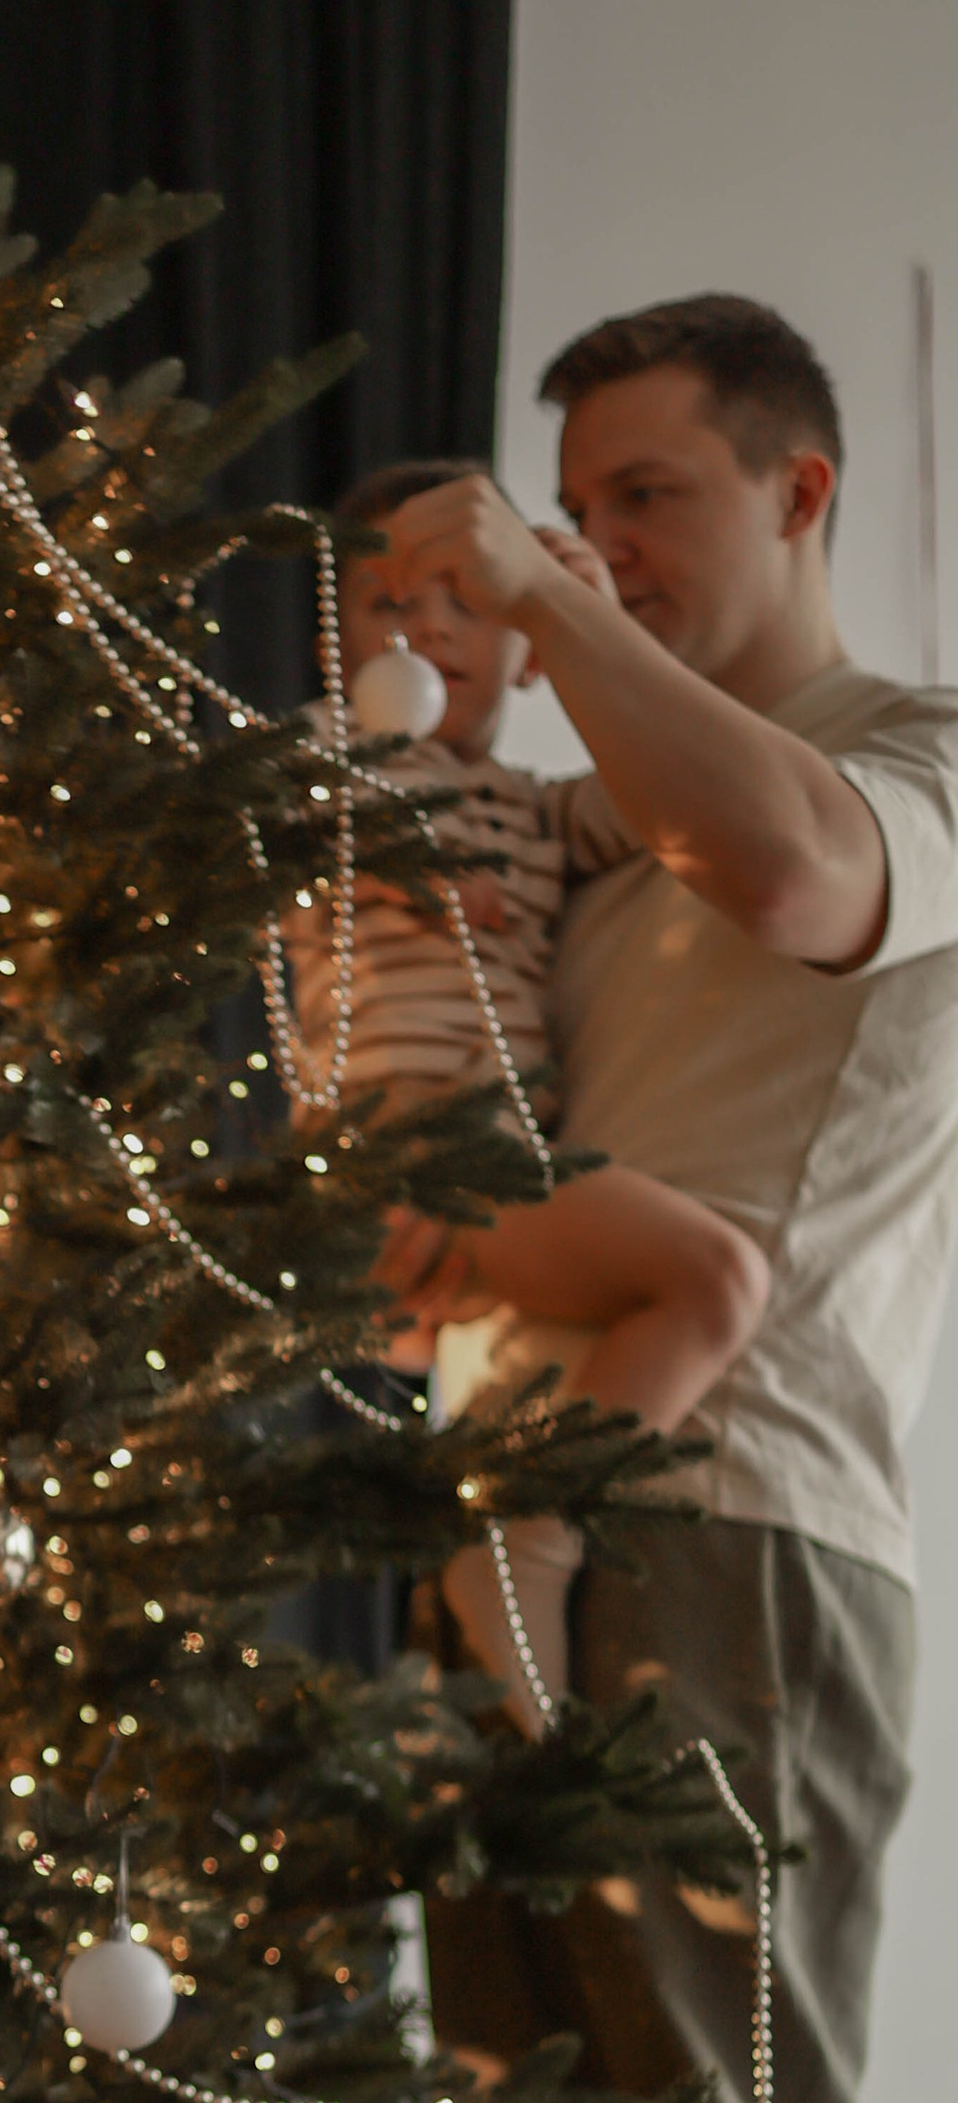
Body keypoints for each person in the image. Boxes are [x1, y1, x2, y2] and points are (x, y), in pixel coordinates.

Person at [381, 296, 958, 2103]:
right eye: (575, 500)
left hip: (742, 1534)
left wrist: (556, 619)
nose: (606, 544)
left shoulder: (909, 768)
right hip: (516, 1514)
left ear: (802, 491)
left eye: (656, 500)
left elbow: (805, 876)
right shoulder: (596, 833)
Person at [284, 460, 769, 1719]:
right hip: (404, 1145)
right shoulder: (338, 758)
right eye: (385, 608)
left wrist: (592, 627)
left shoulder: (547, 813)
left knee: (711, 1285)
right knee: (714, 1279)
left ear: (529, 651)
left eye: (458, 600)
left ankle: (519, 1537)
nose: (422, 629)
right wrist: (409, 863)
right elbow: (295, 818)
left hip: (490, 1156)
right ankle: (528, 1543)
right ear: (341, 647)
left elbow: (672, 799)